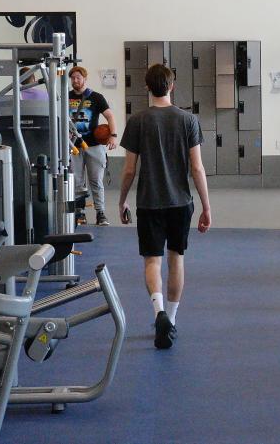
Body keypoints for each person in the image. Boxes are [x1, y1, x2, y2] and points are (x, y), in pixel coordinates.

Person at [119, 64, 212, 350]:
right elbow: (197, 168)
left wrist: (121, 200)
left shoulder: (137, 121)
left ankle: (158, 312)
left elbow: (129, 170)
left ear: (147, 87)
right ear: (172, 86)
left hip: (149, 202)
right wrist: (206, 207)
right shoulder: (188, 120)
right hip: (180, 202)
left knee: (152, 261)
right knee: (176, 259)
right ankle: (170, 320)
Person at [68, 66, 117, 226]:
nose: (75, 80)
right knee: (77, 181)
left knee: (96, 181)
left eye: (78, 77)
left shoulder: (96, 97)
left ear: (85, 79)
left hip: (94, 145)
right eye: (73, 78)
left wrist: (113, 135)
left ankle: (100, 213)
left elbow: (110, 116)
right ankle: (80, 213)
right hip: (73, 146)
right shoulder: (65, 97)